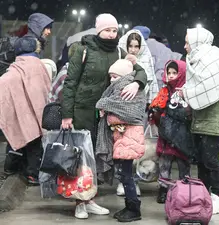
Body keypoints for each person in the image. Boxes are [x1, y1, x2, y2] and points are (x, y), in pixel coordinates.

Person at [61, 13, 147, 219]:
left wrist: (137, 83)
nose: (111, 34)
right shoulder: (83, 50)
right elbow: (70, 83)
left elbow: (140, 70)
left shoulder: (119, 51)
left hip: (106, 114)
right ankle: (80, 203)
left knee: (96, 159)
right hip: (82, 112)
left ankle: (90, 200)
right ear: (98, 30)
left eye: (115, 30)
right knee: (81, 158)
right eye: (107, 30)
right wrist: (67, 115)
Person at [181, 26, 219, 214]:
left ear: (197, 42)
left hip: (214, 119)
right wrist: (187, 93)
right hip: (199, 119)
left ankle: (218, 197)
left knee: (210, 160)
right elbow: (198, 87)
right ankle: (204, 196)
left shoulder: (214, 58)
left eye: (187, 42)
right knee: (201, 160)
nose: (185, 47)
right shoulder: (194, 61)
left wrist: (189, 92)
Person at [96, 59, 146, 222]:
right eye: (110, 77)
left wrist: (107, 109)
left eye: (115, 76)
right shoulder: (121, 89)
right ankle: (130, 206)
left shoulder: (130, 90)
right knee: (124, 175)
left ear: (124, 76)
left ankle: (134, 209)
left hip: (129, 137)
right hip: (124, 138)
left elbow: (131, 114)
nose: (111, 80)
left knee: (126, 175)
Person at [1, 37, 54, 185]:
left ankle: (10, 168)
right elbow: (44, 87)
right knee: (34, 143)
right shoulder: (39, 66)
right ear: (35, 49)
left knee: (15, 139)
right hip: (35, 110)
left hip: (18, 110)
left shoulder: (15, 66)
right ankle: (33, 174)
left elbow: (5, 83)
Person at [117, 29, 159, 196]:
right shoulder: (120, 61)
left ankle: (133, 182)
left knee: (135, 148)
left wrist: (151, 109)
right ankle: (122, 181)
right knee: (121, 147)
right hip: (121, 111)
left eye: (136, 46)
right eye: (130, 46)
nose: (133, 49)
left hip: (140, 112)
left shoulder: (146, 61)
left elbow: (152, 87)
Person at [149, 60, 191, 204]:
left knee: (183, 164)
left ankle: (184, 191)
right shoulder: (164, 91)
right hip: (166, 135)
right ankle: (163, 190)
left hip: (182, 136)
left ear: (182, 74)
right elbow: (156, 105)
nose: (172, 76)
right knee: (164, 164)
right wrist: (155, 113)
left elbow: (190, 112)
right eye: (169, 73)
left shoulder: (188, 91)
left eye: (175, 73)